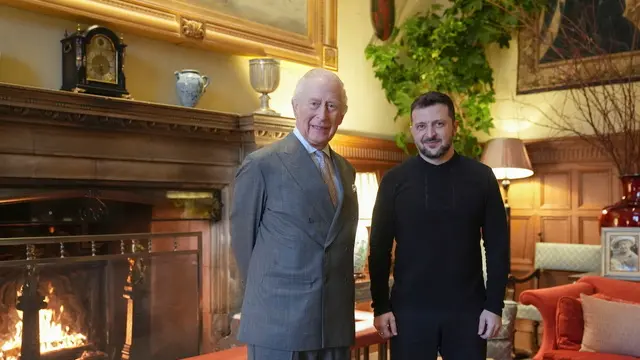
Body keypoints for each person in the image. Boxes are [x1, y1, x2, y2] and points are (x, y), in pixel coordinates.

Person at [368, 91, 510, 359]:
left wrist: (494, 306)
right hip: (408, 314)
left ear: (454, 126)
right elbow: (379, 248)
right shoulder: (394, 181)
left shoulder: (482, 178)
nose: (429, 133)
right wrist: (380, 306)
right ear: (413, 130)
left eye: (439, 124)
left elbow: (498, 248)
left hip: (468, 313)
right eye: (421, 126)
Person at [230, 68, 359, 360]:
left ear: (342, 113)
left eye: (332, 106)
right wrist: (272, 302)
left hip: (333, 322)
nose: (322, 116)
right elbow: (243, 245)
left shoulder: (346, 170)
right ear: (295, 106)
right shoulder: (262, 165)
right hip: (280, 324)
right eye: (314, 104)